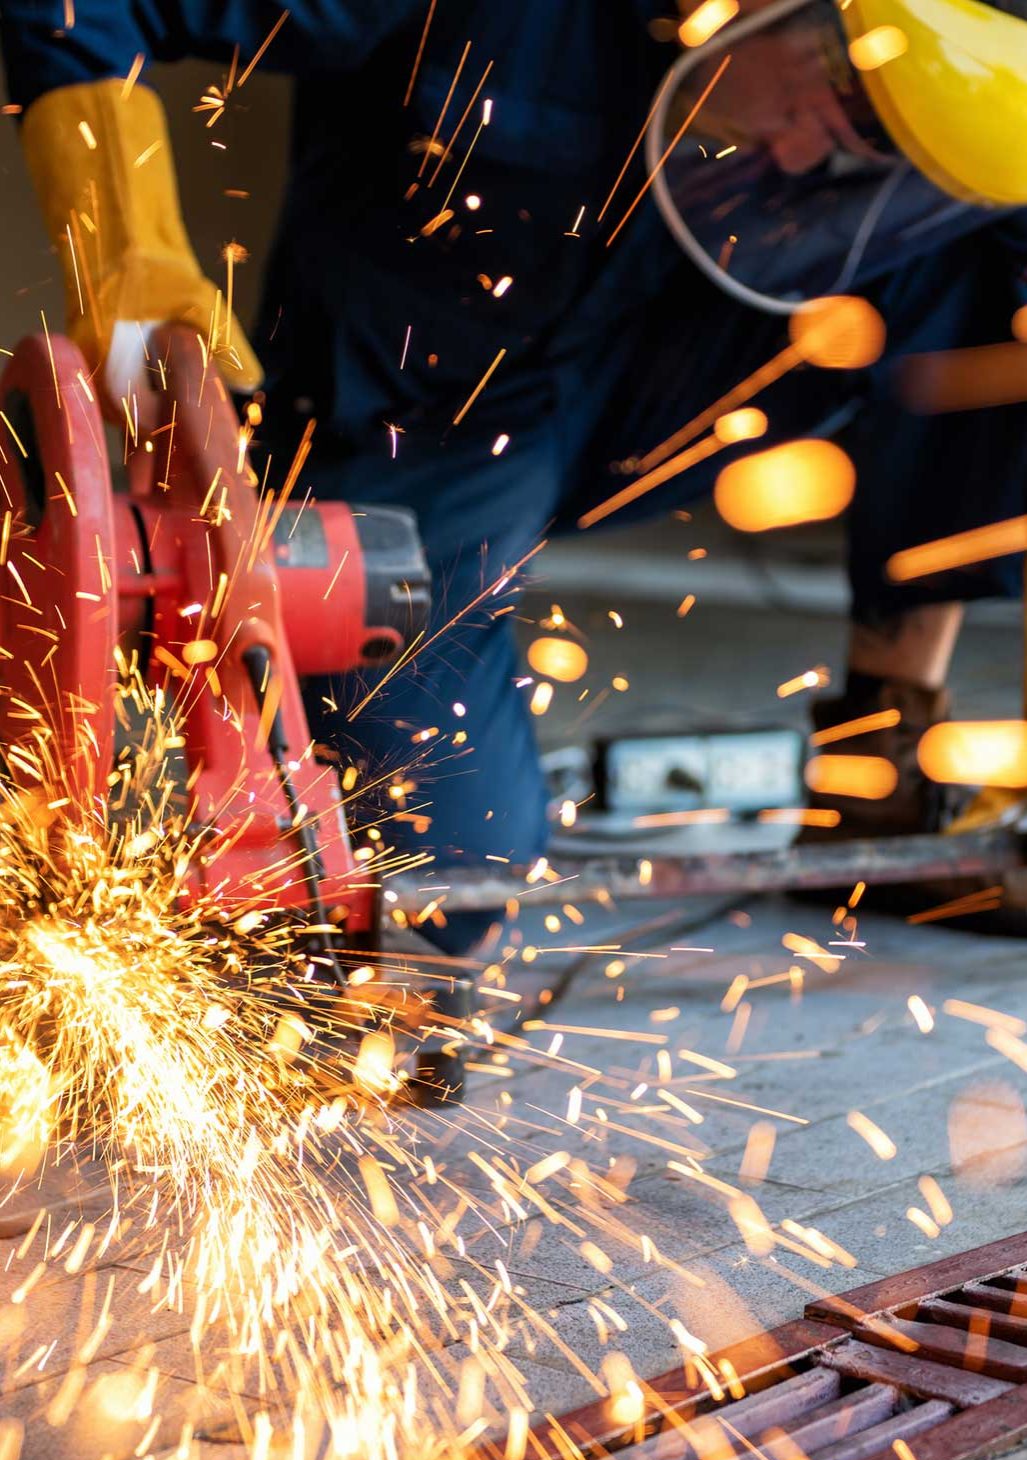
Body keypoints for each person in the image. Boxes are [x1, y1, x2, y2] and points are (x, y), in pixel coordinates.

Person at [3, 0, 1026, 962]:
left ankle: (881, 759)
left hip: (665, 377)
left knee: (995, 295)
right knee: (449, 884)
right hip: (430, 429)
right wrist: (130, 249)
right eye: (829, 103)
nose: (806, 153)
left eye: (863, 154)